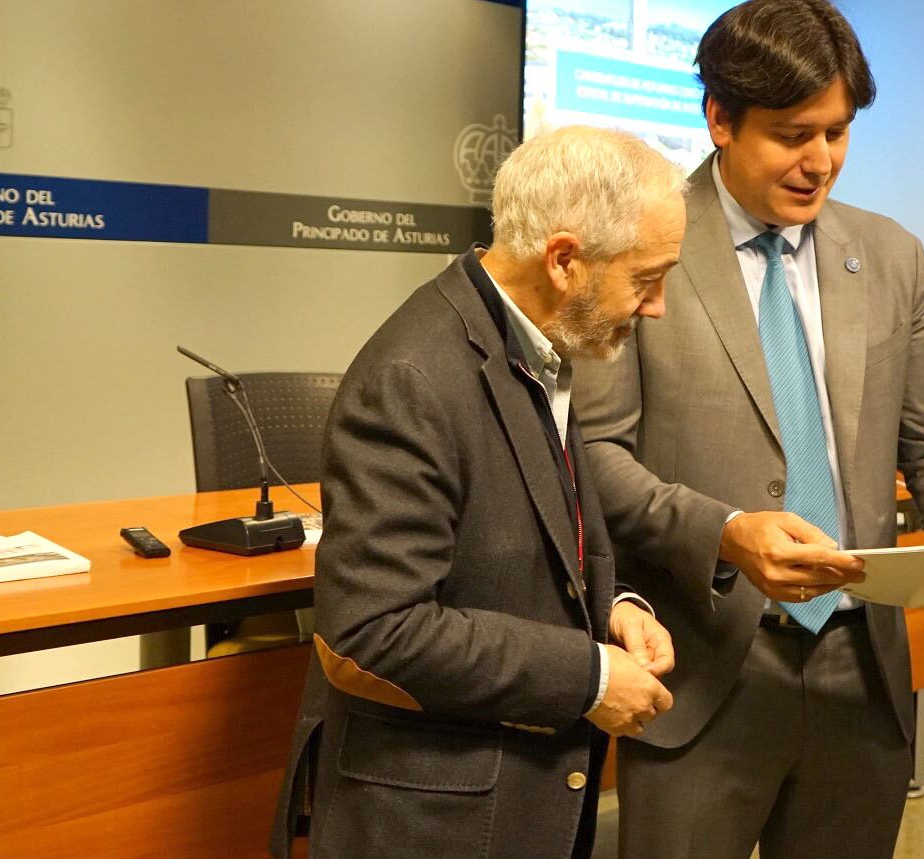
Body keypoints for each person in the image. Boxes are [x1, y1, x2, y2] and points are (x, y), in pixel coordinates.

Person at [572, 0, 924, 859]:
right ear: (720, 118)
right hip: (702, 669)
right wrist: (724, 532)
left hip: (861, 669)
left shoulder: (890, 256)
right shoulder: (641, 245)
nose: (820, 160)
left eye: (836, 132)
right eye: (793, 134)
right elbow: (594, 454)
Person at [269, 125, 687, 859]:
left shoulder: (536, 344)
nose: (655, 307)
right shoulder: (413, 378)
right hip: (434, 822)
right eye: (646, 279)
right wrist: (589, 676)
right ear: (564, 260)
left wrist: (614, 607)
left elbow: (537, 535)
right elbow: (375, 629)